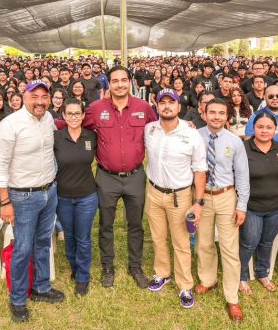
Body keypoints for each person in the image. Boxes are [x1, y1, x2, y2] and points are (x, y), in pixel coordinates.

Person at [0, 80, 62, 323]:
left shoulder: (49, 119)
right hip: (22, 197)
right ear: (23, 97)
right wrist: (5, 202)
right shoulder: (9, 125)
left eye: (45, 97)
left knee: (43, 241)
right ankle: (18, 298)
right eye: (35, 97)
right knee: (23, 247)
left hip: (49, 191)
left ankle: (41, 287)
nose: (40, 101)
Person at [83, 66, 156, 289]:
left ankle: (135, 266)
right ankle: (107, 266)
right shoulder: (96, 109)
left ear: (130, 82)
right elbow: (78, 128)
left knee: (135, 224)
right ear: (109, 84)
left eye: (124, 80)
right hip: (106, 177)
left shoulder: (144, 108)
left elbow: (159, 128)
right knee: (106, 225)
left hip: (135, 176)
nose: (120, 85)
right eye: (115, 81)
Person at [143, 88, 207, 309]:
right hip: (153, 192)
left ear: (179, 107)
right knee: (158, 237)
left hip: (179, 196)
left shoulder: (192, 134)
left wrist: (198, 203)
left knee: (180, 242)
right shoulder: (149, 129)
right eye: (163, 102)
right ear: (157, 106)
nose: (167, 106)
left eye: (172, 102)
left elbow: (200, 171)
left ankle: (185, 285)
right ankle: (162, 273)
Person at [195, 97, 249, 321]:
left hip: (226, 196)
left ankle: (232, 296)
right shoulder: (195, 137)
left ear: (227, 116)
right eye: (212, 112)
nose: (216, 116)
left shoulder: (235, 141)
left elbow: (242, 175)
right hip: (202, 196)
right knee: (204, 242)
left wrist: (242, 206)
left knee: (229, 247)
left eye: (221, 113)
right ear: (204, 114)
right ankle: (208, 279)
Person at [53, 98, 98, 296]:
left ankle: (83, 277)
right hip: (63, 196)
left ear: (82, 115)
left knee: (83, 237)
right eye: (69, 113)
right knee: (69, 236)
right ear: (63, 115)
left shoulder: (91, 137)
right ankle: (75, 265)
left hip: (87, 195)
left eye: (77, 113)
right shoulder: (56, 137)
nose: (73, 117)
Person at [239, 112, 278, 294]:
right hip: (252, 207)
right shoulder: (243, 148)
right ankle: (242, 276)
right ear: (254, 128)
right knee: (249, 242)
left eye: (269, 127)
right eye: (260, 127)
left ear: (275, 129)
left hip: (276, 207)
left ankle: (262, 273)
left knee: (267, 242)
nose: (264, 130)